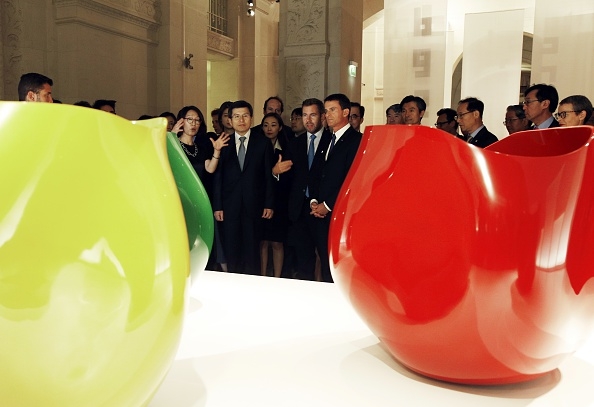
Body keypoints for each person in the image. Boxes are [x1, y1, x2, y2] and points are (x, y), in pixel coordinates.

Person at [212, 100, 275, 275]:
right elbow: (218, 177)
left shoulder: (262, 143)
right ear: (230, 120)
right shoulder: (223, 144)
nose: (241, 120)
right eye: (237, 116)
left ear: (252, 118)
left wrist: (269, 204)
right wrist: (218, 206)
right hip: (229, 206)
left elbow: (267, 176)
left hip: (254, 206)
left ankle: (253, 290)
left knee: (252, 251)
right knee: (232, 251)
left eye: (245, 116)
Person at [310, 94, 362, 282]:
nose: (327, 114)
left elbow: (353, 179)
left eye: (333, 110)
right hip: (320, 212)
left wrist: (329, 204)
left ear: (346, 112)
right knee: (324, 260)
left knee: (338, 265)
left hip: (340, 212)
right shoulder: (326, 138)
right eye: (326, 110)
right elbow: (316, 172)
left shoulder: (356, 140)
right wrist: (314, 200)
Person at [284, 98, 331, 281]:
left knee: (326, 259)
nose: (308, 120)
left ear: (322, 116)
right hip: (300, 209)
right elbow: (288, 174)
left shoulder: (331, 141)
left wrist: (322, 203)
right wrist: (275, 172)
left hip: (322, 209)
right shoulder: (295, 143)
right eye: (304, 115)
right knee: (304, 262)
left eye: (313, 115)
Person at [259, 113, 291, 278]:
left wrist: (277, 173)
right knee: (262, 242)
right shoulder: (256, 146)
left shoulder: (287, 147)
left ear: (280, 127)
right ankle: (263, 276)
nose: (269, 128)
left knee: (277, 242)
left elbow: (291, 176)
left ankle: (277, 278)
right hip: (261, 200)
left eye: (273, 125)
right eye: (265, 125)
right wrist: (272, 172)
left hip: (280, 201)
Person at [171, 105, 230, 182]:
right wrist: (172, 137)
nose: (193, 123)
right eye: (189, 119)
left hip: (198, 191)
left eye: (197, 120)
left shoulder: (200, 147)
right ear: (181, 122)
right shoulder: (173, 145)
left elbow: (210, 169)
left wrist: (217, 151)